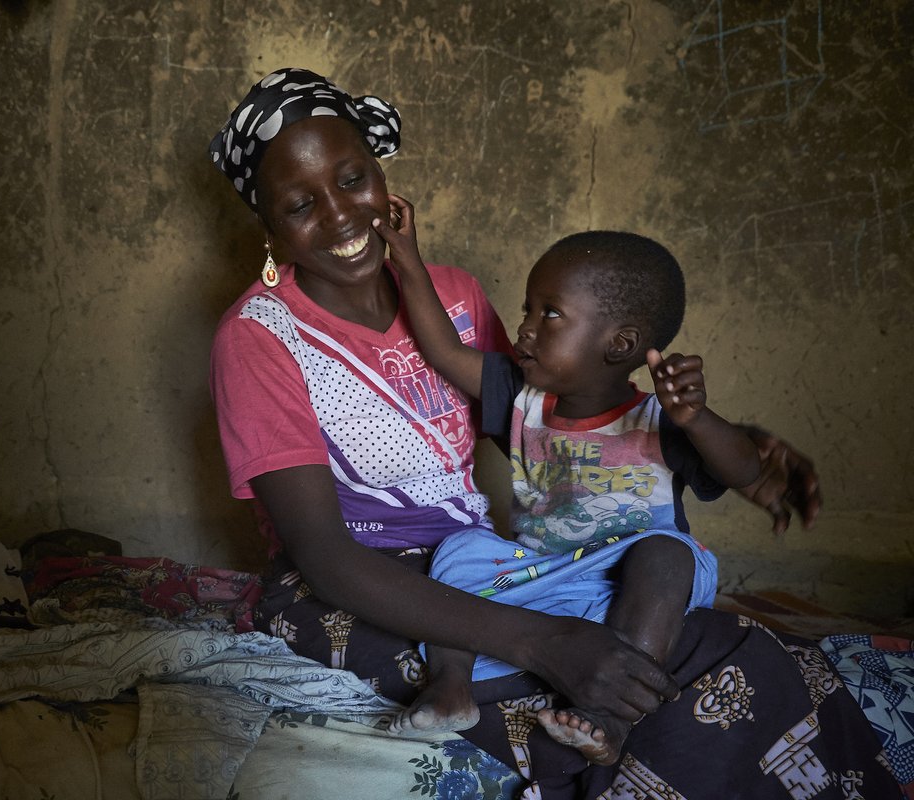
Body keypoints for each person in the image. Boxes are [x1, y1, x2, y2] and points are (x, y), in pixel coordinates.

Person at [207, 67, 898, 798]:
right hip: (358, 585)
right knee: (608, 684)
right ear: (268, 226)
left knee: (725, 652)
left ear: (381, 176)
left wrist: (720, 446)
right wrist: (544, 640)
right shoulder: (259, 337)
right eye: (299, 205)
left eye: (352, 180)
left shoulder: (453, 294)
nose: (340, 215)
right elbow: (322, 554)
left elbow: (546, 425)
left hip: (481, 559)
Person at [379, 214, 759, 766]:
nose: (525, 329)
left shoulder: (659, 419)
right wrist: (407, 259)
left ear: (619, 343)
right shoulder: (520, 395)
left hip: (632, 592)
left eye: (550, 313)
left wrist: (697, 419)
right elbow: (442, 350)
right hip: (539, 575)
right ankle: (451, 686)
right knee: (460, 549)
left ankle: (612, 716)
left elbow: (743, 471)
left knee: (667, 552)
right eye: (528, 309)